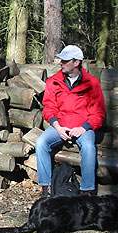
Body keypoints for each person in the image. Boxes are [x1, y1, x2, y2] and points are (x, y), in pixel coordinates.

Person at [35, 45, 106, 197]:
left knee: (88, 146)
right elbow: (48, 107)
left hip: (83, 128)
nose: (61, 63)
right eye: (61, 60)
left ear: (76, 62)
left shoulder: (92, 83)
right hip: (60, 125)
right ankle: (46, 189)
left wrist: (84, 128)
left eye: (65, 60)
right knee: (41, 143)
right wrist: (57, 126)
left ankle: (87, 192)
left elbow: (98, 113)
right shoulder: (53, 81)